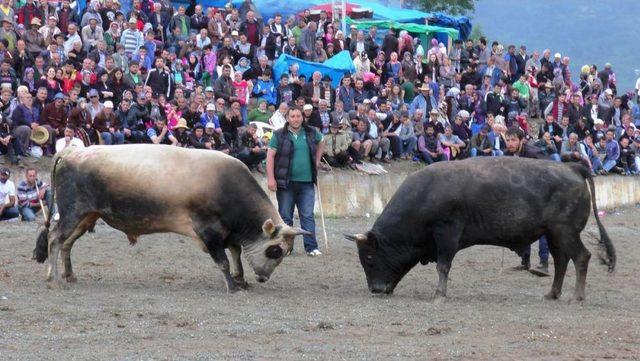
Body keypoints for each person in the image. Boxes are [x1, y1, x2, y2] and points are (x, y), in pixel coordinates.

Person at [266, 107, 324, 256]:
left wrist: (317, 161)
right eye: (292, 116)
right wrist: (271, 179)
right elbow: (270, 156)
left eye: (298, 116)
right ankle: (286, 248)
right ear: (288, 118)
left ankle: (311, 247)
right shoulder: (279, 135)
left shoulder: (311, 132)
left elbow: (322, 141)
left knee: (307, 215)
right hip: (286, 183)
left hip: (307, 182)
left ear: (302, 117)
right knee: (285, 216)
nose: (296, 119)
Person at [503, 127, 550, 276]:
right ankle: (525, 261)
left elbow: (551, 171)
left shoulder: (534, 154)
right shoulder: (506, 155)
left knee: (543, 230)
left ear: (521, 140)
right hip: (522, 199)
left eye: (513, 140)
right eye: (508, 140)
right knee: (524, 228)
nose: (510, 143)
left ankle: (543, 263)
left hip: (541, 197)